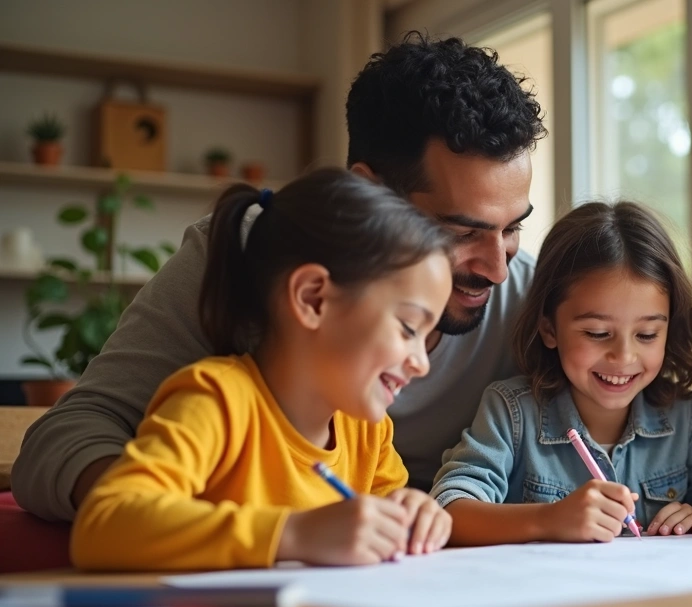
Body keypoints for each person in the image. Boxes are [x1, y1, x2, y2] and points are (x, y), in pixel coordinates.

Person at [13, 32, 546, 522]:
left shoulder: (535, 301)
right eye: (460, 232)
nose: (497, 267)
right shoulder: (249, 256)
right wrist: (189, 517)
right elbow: (64, 439)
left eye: (513, 229)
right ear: (371, 193)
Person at [72, 170, 453, 570]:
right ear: (313, 298)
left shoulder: (368, 432)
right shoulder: (214, 401)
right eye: (409, 328)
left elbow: (384, 520)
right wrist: (294, 534)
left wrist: (415, 515)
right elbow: (103, 524)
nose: (421, 363)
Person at [431, 202, 692, 545]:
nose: (623, 356)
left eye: (647, 335)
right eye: (597, 333)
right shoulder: (512, 414)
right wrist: (548, 519)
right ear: (549, 329)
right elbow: (449, 511)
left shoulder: (687, 416)